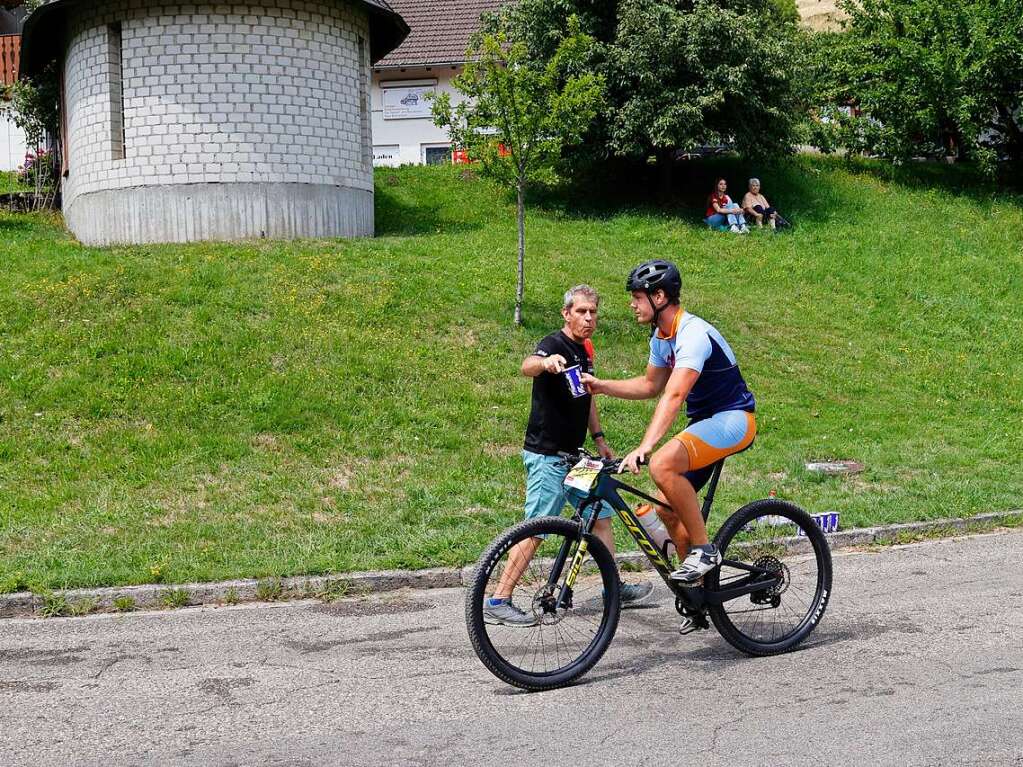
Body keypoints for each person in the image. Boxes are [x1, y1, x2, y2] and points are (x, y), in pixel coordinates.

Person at [483, 285, 655, 626]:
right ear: (566, 314)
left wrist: (600, 438)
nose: (588, 318)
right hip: (547, 457)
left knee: (600, 514)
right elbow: (526, 365)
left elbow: (586, 396)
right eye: (581, 311)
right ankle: (499, 599)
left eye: (593, 312)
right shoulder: (554, 344)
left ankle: (613, 588)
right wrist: (545, 363)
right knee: (536, 528)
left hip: (575, 458)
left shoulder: (584, 349)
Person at [580, 260, 756, 584]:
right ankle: (698, 594)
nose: (632, 304)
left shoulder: (693, 334)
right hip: (705, 423)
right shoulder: (662, 338)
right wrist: (602, 385)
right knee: (665, 507)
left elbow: (673, 396)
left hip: (734, 420)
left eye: (636, 296)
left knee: (661, 464)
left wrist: (646, 447)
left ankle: (705, 551)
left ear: (658, 296)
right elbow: (650, 386)